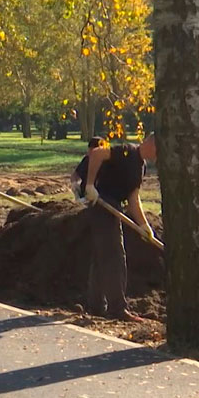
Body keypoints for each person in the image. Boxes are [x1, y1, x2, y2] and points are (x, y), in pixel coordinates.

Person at [80, 134, 157, 322]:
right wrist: (90, 185)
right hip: (102, 204)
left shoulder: (141, 166)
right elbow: (97, 153)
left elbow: (133, 199)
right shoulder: (127, 151)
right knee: (114, 256)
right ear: (150, 143)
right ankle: (117, 309)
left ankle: (95, 305)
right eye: (160, 149)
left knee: (101, 256)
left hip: (112, 207)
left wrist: (143, 225)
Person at [70, 137, 108, 201]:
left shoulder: (107, 164)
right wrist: (74, 183)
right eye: (89, 150)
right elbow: (75, 174)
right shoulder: (86, 160)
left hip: (100, 198)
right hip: (83, 196)